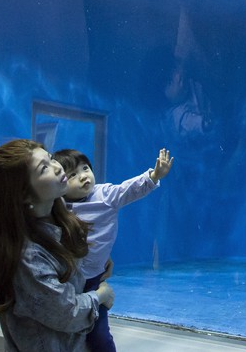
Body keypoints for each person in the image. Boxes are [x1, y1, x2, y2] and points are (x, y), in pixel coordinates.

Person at [0, 139, 115, 352]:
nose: (57, 166)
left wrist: (97, 261)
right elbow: (67, 313)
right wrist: (101, 294)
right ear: (24, 194)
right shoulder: (28, 257)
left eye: (49, 158)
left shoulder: (56, 220)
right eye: (44, 168)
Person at [52, 147, 174, 352]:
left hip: (94, 279)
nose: (83, 177)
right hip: (66, 278)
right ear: (61, 183)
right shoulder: (58, 206)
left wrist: (154, 175)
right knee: (65, 329)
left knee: (100, 336)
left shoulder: (104, 194)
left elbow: (129, 189)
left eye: (85, 168)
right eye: (73, 175)